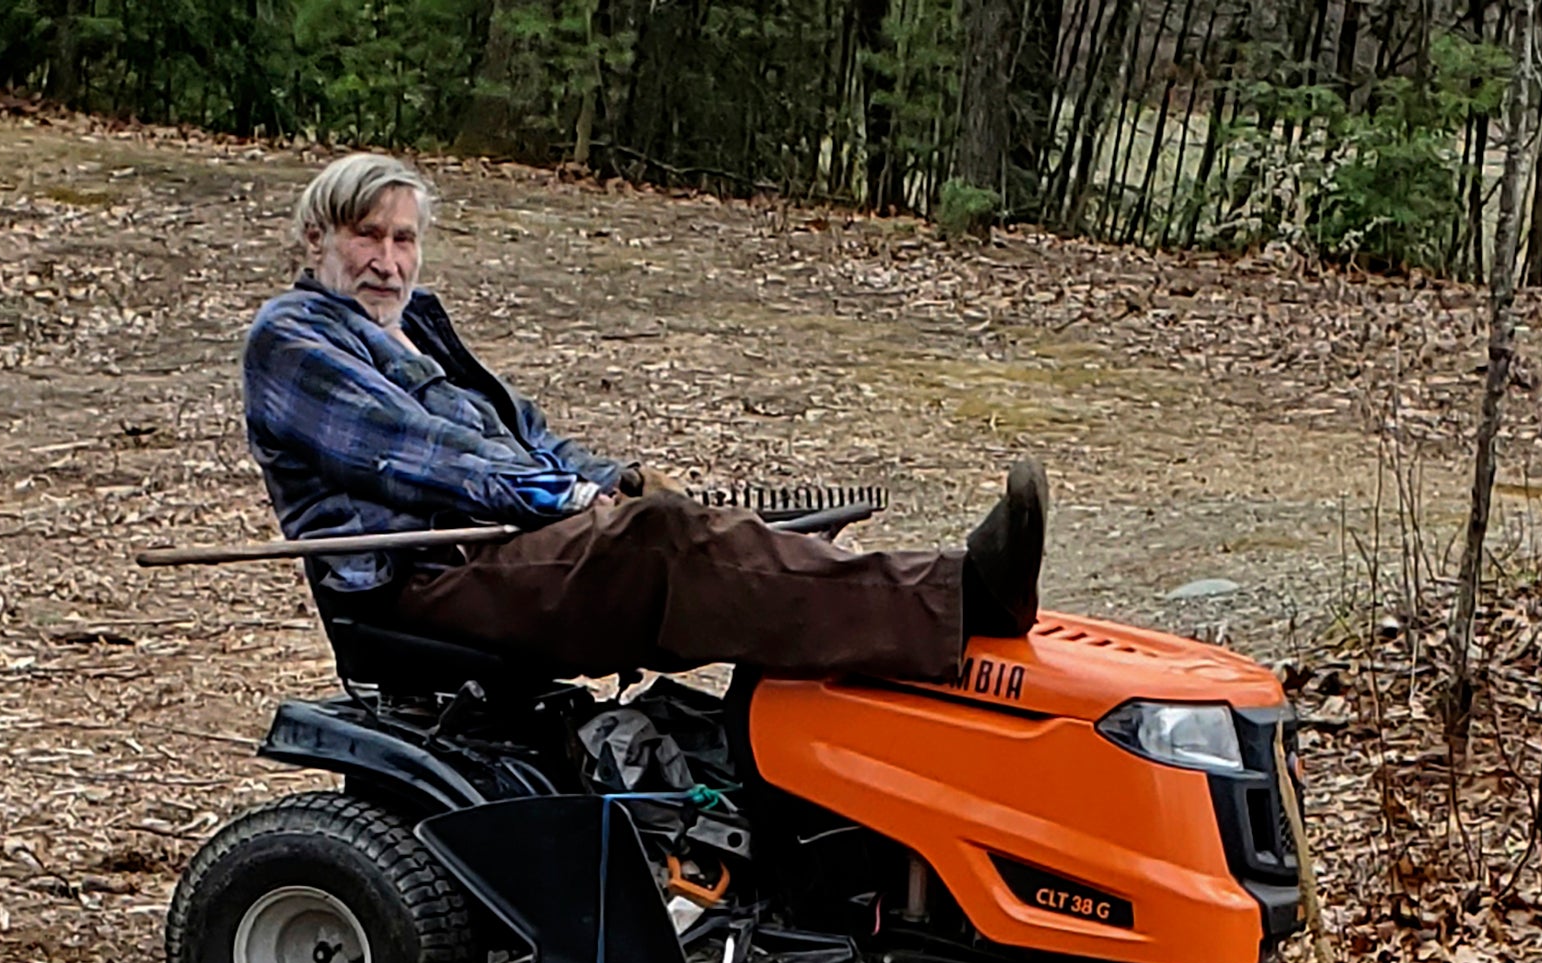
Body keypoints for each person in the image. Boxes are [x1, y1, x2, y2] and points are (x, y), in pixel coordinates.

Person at [241, 153, 1046, 683]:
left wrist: (614, 477)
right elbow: (424, 458)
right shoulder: (293, 338)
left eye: (404, 239)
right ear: (318, 238)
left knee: (707, 523)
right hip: (420, 581)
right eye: (367, 236)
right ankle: (962, 598)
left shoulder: (416, 326)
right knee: (661, 539)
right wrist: (575, 500)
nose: (388, 260)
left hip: (498, 548)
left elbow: (527, 434)